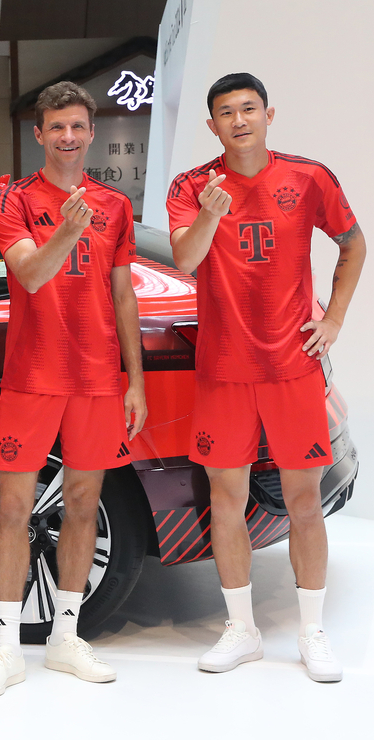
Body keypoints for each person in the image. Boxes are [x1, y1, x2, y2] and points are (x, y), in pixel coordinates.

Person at [167, 73, 365, 682]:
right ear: (212, 125)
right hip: (224, 370)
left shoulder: (308, 177)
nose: (239, 120)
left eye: (249, 108)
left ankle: (312, 632)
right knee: (226, 500)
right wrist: (207, 216)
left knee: (304, 501)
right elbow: (184, 259)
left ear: (268, 114)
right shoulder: (193, 185)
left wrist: (332, 320)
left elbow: (353, 244)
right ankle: (242, 630)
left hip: (290, 368)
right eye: (226, 112)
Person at [0, 81, 147, 698]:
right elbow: (30, 273)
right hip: (32, 377)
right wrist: (68, 231)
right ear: (38, 134)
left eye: (78, 126)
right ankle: (9, 647)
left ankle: (67, 638)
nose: (68, 137)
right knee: (13, 510)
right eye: (56, 127)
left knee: (81, 504)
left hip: (97, 379)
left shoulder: (116, 205)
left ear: (91, 133)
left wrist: (135, 381)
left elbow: (124, 296)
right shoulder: (14, 201)